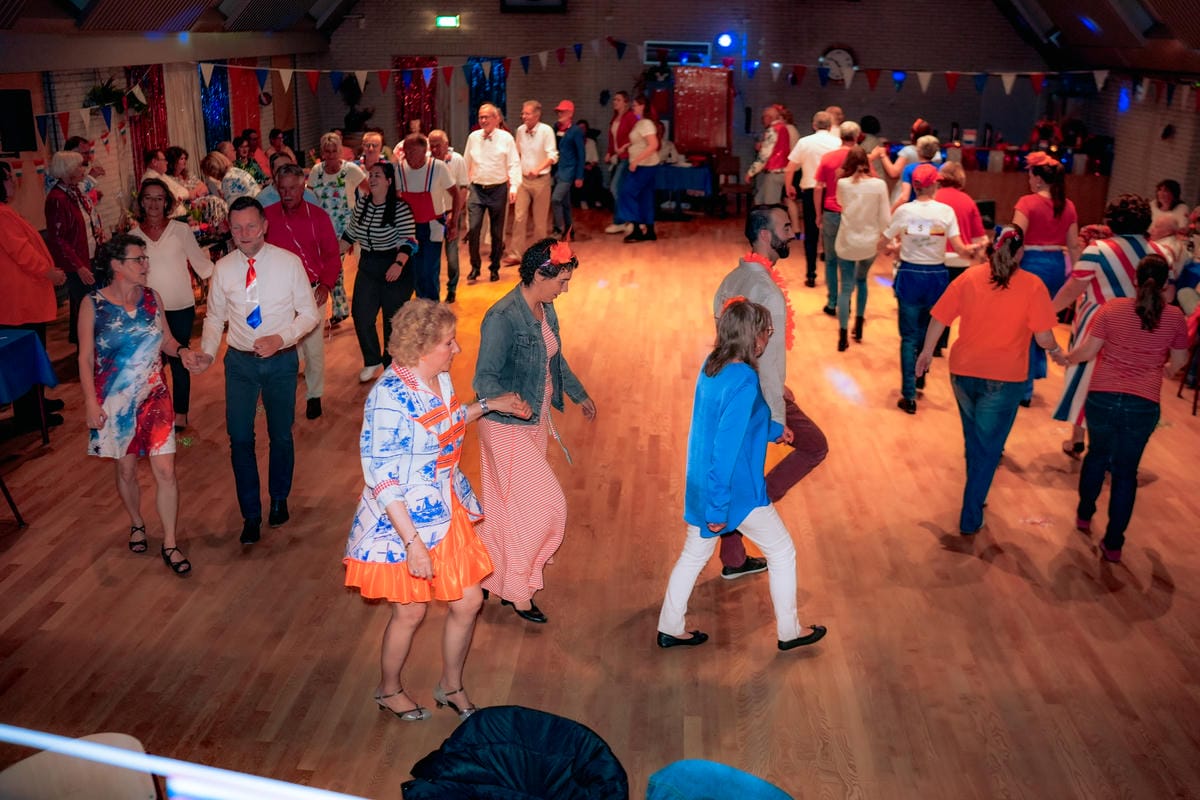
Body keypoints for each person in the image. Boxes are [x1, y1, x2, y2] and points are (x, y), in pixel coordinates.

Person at [345, 299, 530, 722]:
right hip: (402, 521)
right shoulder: (388, 398)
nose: (456, 349)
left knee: (469, 601)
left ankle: (451, 685)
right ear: (423, 347)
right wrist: (412, 544)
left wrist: (490, 404)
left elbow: (444, 423)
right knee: (410, 612)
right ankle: (388, 690)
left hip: (445, 510)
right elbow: (383, 478)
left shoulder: (438, 377)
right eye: (449, 343)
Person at [656, 298, 827, 652]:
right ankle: (789, 631)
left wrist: (775, 431)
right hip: (736, 492)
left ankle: (670, 627)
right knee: (782, 551)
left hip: (702, 485)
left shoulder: (712, 366)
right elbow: (726, 448)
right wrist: (719, 509)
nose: (767, 338)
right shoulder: (745, 380)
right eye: (766, 332)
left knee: (693, 555)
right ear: (753, 337)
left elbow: (736, 423)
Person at [472, 238, 595, 624]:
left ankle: (487, 575)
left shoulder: (545, 308)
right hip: (505, 427)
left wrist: (578, 393)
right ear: (540, 274)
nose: (565, 289)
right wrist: (507, 401)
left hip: (535, 422)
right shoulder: (502, 317)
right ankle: (518, 590)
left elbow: (555, 357)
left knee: (506, 509)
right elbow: (483, 379)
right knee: (547, 507)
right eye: (562, 281)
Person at [915, 225, 1065, 535]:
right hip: (1004, 378)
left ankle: (977, 494)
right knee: (989, 447)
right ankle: (970, 516)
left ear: (992, 248)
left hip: (963, 372)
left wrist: (927, 352)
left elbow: (939, 317)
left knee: (975, 441)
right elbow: (1043, 337)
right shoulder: (1033, 285)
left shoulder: (969, 277)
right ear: (1021, 253)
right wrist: (1056, 351)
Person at [193, 197, 321, 546]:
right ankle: (250, 514)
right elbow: (214, 317)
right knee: (239, 439)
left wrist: (282, 338)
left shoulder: (288, 263)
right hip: (240, 363)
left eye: (251, 226)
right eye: (237, 228)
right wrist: (207, 353)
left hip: (281, 361)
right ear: (229, 230)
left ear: (264, 226)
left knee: (280, 434)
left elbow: (309, 314)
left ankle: (279, 498)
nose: (244, 233)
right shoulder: (223, 269)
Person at [713, 205, 829, 578]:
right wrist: (777, 417)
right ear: (765, 235)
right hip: (759, 398)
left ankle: (734, 559)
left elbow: (727, 341)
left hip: (732, 389)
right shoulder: (768, 293)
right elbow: (770, 357)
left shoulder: (732, 279)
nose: (792, 233)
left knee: (737, 471)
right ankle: (754, 506)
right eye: (786, 227)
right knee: (814, 446)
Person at [78, 234, 194, 576]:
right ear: (117, 265)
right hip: (114, 402)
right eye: (138, 259)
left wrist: (183, 352)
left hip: (155, 397)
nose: (145, 265)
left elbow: (167, 341)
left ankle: (170, 542)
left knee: (166, 471)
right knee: (126, 470)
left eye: (146, 259)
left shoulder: (152, 298)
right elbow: (85, 358)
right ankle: (137, 522)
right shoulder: (93, 304)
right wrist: (89, 402)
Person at [1063, 254, 1189, 563]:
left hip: (1102, 395)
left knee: (1096, 455)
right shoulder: (1175, 317)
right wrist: (1167, 369)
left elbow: (1088, 351)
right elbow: (1180, 361)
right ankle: (1114, 543)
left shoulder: (1113, 308)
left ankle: (1084, 514)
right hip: (1143, 403)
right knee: (1125, 473)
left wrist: (1066, 358)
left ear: (1135, 279)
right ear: (1165, 285)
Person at [1051, 195, 1166, 456]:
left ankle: (1078, 438)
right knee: (1126, 381)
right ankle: (1111, 444)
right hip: (1143, 323)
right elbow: (1166, 296)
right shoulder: (1159, 253)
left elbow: (1072, 290)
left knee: (1086, 377)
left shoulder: (1098, 250)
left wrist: (1045, 313)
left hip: (1097, 321)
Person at [880, 163, 980, 414]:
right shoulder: (945, 212)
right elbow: (960, 249)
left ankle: (909, 395)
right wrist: (974, 251)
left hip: (910, 275)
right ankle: (920, 376)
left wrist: (892, 248)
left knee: (908, 337)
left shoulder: (904, 211)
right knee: (928, 332)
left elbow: (884, 242)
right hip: (936, 277)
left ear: (914, 186)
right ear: (934, 184)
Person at [129, 178, 214, 432]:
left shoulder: (181, 230)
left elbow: (202, 265)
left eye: (159, 198)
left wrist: (229, 277)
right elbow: (128, 276)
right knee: (149, 364)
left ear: (166, 201)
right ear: (141, 202)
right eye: (148, 198)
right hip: (147, 310)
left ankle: (180, 414)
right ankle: (152, 411)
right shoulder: (132, 238)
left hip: (180, 306)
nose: (154, 203)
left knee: (179, 360)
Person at [264, 163, 341, 420]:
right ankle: (283, 396)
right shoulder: (266, 217)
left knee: (312, 347)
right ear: (276, 188)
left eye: (293, 189)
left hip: (312, 291)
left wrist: (326, 285)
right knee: (283, 347)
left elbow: (332, 256)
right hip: (278, 294)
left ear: (303, 187)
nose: (287, 194)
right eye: (282, 189)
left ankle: (314, 395)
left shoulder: (318, 217)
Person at [0, 160, 67, 429]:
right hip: (20, 300)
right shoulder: (2, 215)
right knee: (27, 358)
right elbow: (23, 253)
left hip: (23, 297)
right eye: (8, 178)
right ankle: (30, 413)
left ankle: (37, 402)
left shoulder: (5, 212)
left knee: (33, 354)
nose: (12, 182)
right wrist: (48, 272)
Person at [1011, 152, 1079, 405]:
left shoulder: (1027, 203)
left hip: (1031, 265)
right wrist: (1079, 275)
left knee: (1024, 326)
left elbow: (1016, 241)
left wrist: (1008, 268)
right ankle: (1033, 375)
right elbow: (1073, 246)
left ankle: (1024, 386)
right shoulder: (1068, 205)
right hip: (1056, 266)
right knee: (1042, 321)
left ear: (1038, 179)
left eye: (1030, 175)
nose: (1029, 180)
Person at [343, 161, 418, 383]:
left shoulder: (400, 208)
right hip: (368, 264)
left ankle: (391, 366)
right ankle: (372, 359)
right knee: (361, 314)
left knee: (392, 320)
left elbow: (409, 241)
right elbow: (349, 235)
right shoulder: (362, 205)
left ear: (388, 181)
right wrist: (328, 256)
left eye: (377, 175)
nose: (372, 179)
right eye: (371, 175)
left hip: (395, 265)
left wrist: (398, 264)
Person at [45, 150, 105, 347]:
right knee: (86, 310)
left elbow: (85, 223)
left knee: (94, 308)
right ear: (68, 170)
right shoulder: (57, 198)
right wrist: (78, 266)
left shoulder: (75, 192)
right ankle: (86, 354)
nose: (83, 169)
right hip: (78, 264)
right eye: (79, 166)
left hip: (89, 257)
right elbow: (58, 239)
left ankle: (94, 351)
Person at [834, 145, 890, 349]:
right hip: (869, 243)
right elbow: (885, 217)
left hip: (847, 241)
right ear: (867, 163)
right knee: (862, 280)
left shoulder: (842, 184)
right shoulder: (879, 185)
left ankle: (842, 336)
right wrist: (887, 239)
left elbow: (840, 203)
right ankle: (859, 325)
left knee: (845, 288)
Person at [308, 131, 367, 324]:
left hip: (349, 227)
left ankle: (362, 305)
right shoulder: (316, 171)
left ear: (340, 151)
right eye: (328, 151)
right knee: (333, 270)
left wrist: (363, 216)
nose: (331, 155)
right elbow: (309, 197)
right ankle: (340, 310)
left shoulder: (351, 170)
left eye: (335, 151)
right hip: (324, 229)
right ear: (322, 152)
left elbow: (369, 192)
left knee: (359, 267)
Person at [933, 162, 988, 356]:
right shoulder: (968, 201)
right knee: (949, 304)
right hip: (960, 259)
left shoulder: (934, 197)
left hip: (935, 257)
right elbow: (979, 237)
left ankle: (927, 341)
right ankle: (940, 343)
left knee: (933, 301)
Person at [397, 132, 459, 301]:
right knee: (415, 272)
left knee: (429, 271)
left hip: (433, 226)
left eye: (413, 152)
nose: (408, 156)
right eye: (406, 151)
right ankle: (421, 308)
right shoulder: (399, 169)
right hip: (409, 229)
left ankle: (433, 309)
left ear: (424, 151)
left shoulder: (437, 167)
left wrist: (454, 222)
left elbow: (456, 194)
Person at [463, 103, 521, 283]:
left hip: (498, 189)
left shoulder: (506, 138)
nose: (483, 120)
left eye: (486, 117)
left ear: (497, 119)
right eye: (480, 117)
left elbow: (514, 163)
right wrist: (464, 186)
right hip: (477, 189)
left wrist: (514, 186)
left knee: (496, 233)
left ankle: (494, 267)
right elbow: (466, 162)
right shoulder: (473, 137)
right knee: (473, 229)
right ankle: (475, 267)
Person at [784, 111, 840, 287]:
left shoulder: (804, 142)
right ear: (830, 127)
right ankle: (832, 274)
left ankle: (811, 274)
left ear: (814, 125)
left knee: (811, 232)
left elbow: (790, 167)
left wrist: (789, 186)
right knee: (833, 233)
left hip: (810, 189)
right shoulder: (837, 143)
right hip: (833, 192)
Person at [814, 121, 864, 318]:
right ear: (857, 136)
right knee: (850, 259)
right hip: (854, 214)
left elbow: (818, 188)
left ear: (840, 136)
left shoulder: (828, 157)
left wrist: (818, 214)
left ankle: (832, 301)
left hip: (831, 212)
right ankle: (847, 299)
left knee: (831, 260)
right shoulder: (861, 159)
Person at [506, 100, 558, 265]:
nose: (524, 116)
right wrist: (512, 175)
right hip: (523, 180)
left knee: (540, 221)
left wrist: (537, 169)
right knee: (519, 217)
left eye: (527, 113)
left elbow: (553, 156)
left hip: (541, 180)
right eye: (523, 113)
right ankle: (516, 254)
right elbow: (516, 154)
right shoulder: (520, 130)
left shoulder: (546, 131)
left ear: (537, 115)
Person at [429, 129, 468, 303]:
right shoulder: (427, 161)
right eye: (431, 146)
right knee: (433, 255)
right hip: (433, 213)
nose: (434, 149)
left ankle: (452, 288)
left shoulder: (457, 159)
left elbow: (463, 187)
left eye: (438, 145)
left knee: (451, 254)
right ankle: (433, 291)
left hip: (452, 211)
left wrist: (455, 213)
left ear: (446, 144)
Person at [619, 94, 661, 243]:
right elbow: (641, 142)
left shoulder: (646, 124)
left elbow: (653, 144)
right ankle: (649, 230)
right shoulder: (641, 123)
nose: (633, 107)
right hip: (646, 165)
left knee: (627, 193)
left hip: (644, 166)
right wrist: (628, 146)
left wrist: (636, 160)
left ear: (643, 106)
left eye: (635, 105)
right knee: (645, 196)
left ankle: (636, 229)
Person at [604, 91, 638, 235]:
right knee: (620, 189)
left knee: (616, 188)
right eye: (614, 100)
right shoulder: (615, 118)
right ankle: (624, 220)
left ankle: (624, 220)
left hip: (628, 157)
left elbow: (637, 136)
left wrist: (625, 146)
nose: (615, 102)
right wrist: (609, 152)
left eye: (618, 100)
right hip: (619, 158)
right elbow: (613, 138)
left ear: (626, 102)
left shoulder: (630, 117)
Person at [746, 105, 792, 206]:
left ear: (769, 117)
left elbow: (764, 155)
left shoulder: (773, 130)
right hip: (782, 170)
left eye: (763, 117)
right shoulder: (783, 128)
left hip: (774, 171)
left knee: (770, 205)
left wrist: (751, 172)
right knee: (759, 200)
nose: (762, 121)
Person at [551, 100, 585, 237]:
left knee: (556, 199)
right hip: (557, 171)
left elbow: (581, 154)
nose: (559, 114)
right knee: (565, 203)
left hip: (568, 171)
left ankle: (558, 230)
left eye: (563, 111)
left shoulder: (576, 131)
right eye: (558, 111)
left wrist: (579, 176)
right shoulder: (555, 128)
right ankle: (570, 231)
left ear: (570, 113)